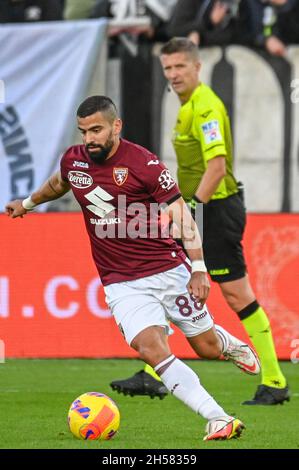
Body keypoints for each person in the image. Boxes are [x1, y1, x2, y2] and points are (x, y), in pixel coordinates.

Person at [6, 95, 260, 441]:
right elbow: (59, 183)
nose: (89, 138)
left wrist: (199, 267)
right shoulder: (75, 161)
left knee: (207, 348)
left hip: (168, 270)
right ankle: (218, 417)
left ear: (116, 126)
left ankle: (226, 342)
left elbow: (181, 213)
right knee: (150, 347)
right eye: (83, 131)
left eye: (96, 129)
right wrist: (29, 203)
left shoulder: (144, 164)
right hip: (121, 282)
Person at [112, 38, 290, 406]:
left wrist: (192, 210)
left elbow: (216, 167)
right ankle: (153, 373)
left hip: (216, 209)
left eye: (180, 67)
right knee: (169, 277)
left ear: (197, 67)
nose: (173, 75)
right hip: (203, 209)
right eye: (168, 68)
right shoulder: (187, 105)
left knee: (236, 293)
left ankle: (274, 379)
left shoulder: (205, 107)